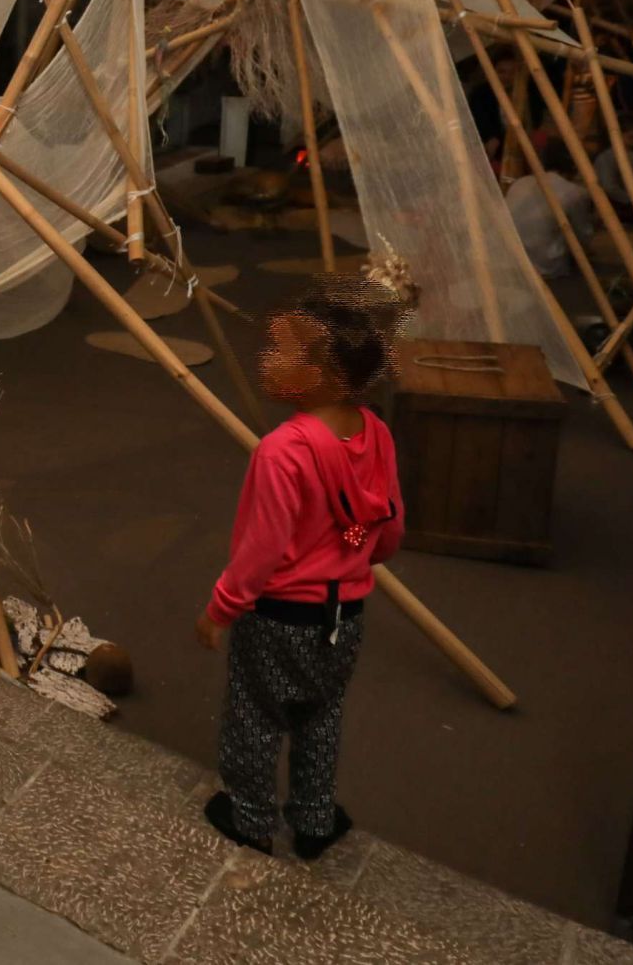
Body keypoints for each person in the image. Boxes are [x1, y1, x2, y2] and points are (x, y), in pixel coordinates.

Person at [195, 277, 409, 860]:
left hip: (277, 618)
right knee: (321, 715)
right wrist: (356, 555)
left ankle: (251, 818)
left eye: (282, 350)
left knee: (255, 715)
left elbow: (262, 550)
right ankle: (315, 819)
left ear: (331, 374)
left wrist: (221, 608)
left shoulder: (282, 451)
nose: (267, 359)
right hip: (345, 616)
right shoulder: (377, 434)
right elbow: (388, 526)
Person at [504, 137, 593, 277]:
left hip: (511, 258)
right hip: (546, 263)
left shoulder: (519, 183)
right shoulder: (573, 192)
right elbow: (582, 235)